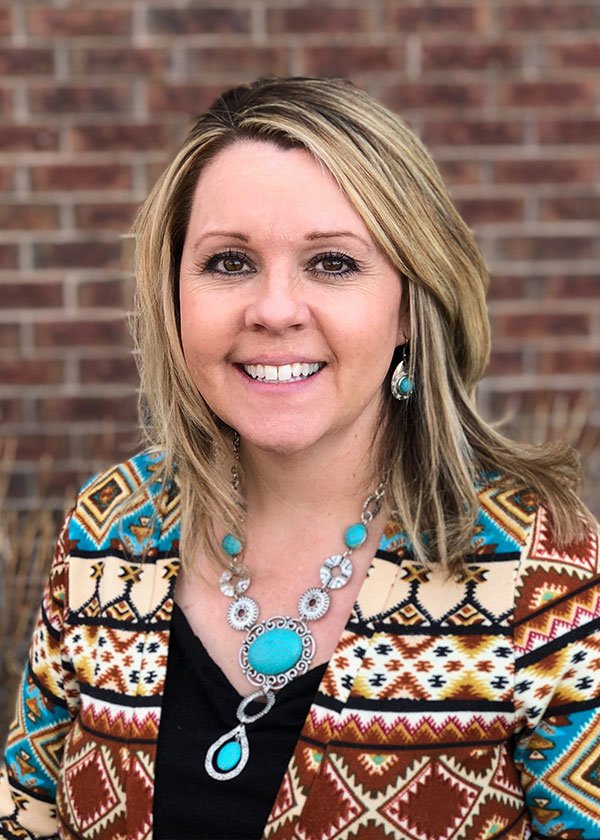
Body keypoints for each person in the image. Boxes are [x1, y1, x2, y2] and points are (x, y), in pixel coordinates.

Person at [1, 76, 599, 840]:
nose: (275, 309)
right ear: (173, 294)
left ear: (412, 305)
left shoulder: (537, 572)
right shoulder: (109, 528)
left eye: (333, 264)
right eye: (228, 263)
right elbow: (26, 814)